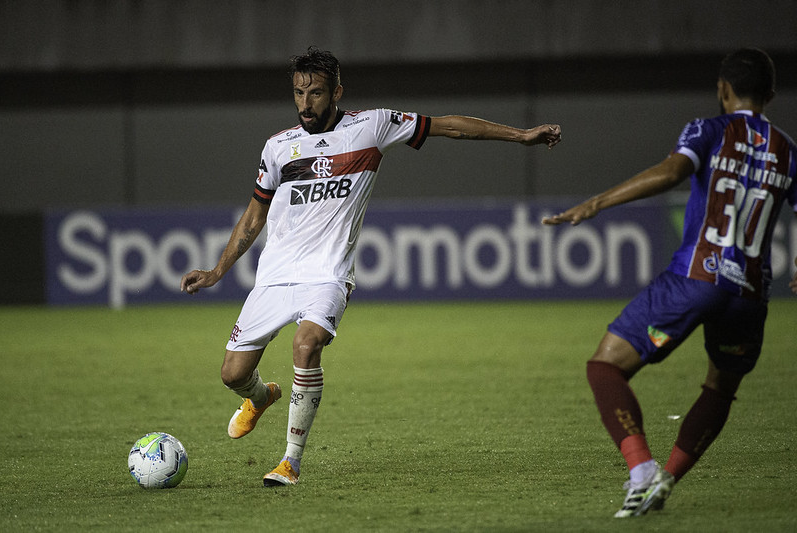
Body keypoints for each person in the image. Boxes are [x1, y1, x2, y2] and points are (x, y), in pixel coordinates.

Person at [180, 46, 562, 487]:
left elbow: (448, 126)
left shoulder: (372, 126)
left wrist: (521, 136)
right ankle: (262, 396)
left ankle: (290, 461)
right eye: (298, 93)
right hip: (275, 277)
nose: (306, 103)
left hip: (328, 275)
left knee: (306, 346)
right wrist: (217, 271)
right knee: (232, 374)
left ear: (337, 92)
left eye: (316, 93)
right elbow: (253, 216)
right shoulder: (278, 147)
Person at [543, 47, 797, 517]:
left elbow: (671, 173)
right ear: (772, 94)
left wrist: (597, 203)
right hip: (752, 296)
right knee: (719, 389)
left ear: (722, 89)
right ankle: (666, 480)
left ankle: (642, 472)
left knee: (605, 367)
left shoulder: (708, 129)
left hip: (696, 279)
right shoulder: (787, 150)